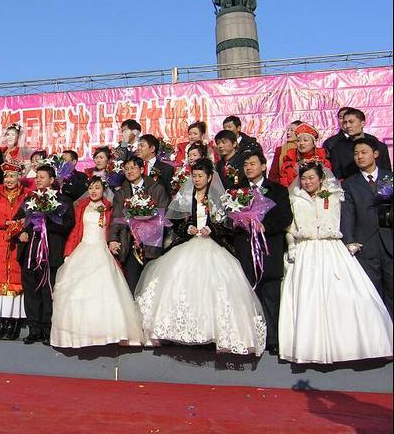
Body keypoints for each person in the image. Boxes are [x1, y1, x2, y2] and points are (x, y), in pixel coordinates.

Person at [135, 159, 267, 356]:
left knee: (213, 289)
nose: (196, 180)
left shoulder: (219, 199)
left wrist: (211, 229)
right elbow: (175, 221)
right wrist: (187, 228)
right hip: (188, 245)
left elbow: (226, 225)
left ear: (209, 177)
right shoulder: (186, 197)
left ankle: (211, 334)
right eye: (194, 176)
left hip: (211, 247)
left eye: (200, 176)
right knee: (179, 285)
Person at [280, 162, 392, 363]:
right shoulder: (294, 199)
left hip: (331, 248)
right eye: (304, 178)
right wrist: (292, 245)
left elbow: (347, 219)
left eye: (311, 178)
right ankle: (310, 349)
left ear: (321, 179)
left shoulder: (334, 196)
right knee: (308, 298)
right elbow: (290, 228)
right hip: (306, 249)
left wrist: (350, 241)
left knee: (347, 295)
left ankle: (351, 346)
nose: (307, 182)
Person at [51, 178, 144, 348]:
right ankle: (80, 336)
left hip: (102, 250)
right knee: (77, 293)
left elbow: (115, 229)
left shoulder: (110, 207)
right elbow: (75, 232)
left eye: (97, 187)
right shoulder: (81, 207)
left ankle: (108, 334)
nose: (93, 191)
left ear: (103, 189)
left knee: (105, 292)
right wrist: (68, 253)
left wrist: (113, 242)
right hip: (83, 248)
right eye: (91, 187)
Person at [237, 150, 293, 353]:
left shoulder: (277, 190)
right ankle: (252, 337)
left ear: (263, 166)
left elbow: (285, 217)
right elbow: (227, 218)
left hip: (269, 249)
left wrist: (265, 226)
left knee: (271, 295)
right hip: (245, 249)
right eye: (246, 165)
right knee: (249, 295)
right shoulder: (236, 191)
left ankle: (273, 339)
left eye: (253, 163)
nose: (249, 168)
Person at [13, 164, 75, 345]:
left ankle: (48, 329)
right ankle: (34, 329)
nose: (38, 179)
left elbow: (67, 224)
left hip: (50, 251)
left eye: (42, 176)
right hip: (30, 252)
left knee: (48, 291)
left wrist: (45, 224)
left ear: (51, 180)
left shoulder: (62, 200)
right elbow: (17, 221)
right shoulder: (29, 199)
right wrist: (20, 233)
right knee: (31, 290)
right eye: (37, 177)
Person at [341, 139, 394, 316]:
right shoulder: (350, 184)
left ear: (375, 154)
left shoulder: (388, 178)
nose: (359, 156)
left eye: (364, 152)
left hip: (389, 246)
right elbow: (348, 214)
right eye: (356, 153)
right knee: (372, 295)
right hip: (365, 246)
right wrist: (349, 240)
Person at [0, 160, 29, 341]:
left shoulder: (26, 196)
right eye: (6, 176)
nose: (9, 179)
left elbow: (30, 217)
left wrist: (18, 226)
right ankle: (1, 327)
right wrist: (5, 223)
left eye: (12, 176)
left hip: (17, 244)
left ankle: (12, 326)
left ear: (19, 177)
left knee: (15, 285)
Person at [108, 156, 170, 294]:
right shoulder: (121, 192)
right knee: (132, 285)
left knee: (151, 286)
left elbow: (162, 213)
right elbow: (116, 217)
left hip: (151, 244)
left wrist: (144, 232)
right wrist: (112, 239)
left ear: (142, 169)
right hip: (129, 244)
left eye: (133, 168)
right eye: (126, 169)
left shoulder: (156, 188)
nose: (129, 171)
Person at [330, 108, 392, 180]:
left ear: (362, 123)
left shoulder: (380, 146)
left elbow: (388, 174)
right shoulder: (337, 149)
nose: (347, 126)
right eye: (345, 122)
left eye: (351, 122)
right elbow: (337, 178)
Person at [279, 123, 332, 187]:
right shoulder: (290, 158)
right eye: (298, 140)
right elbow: (286, 182)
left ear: (313, 144)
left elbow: (329, 181)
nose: (301, 143)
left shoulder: (322, 158)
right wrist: (297, 165)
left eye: (305, 140)